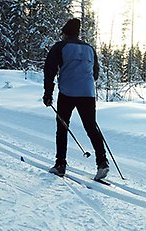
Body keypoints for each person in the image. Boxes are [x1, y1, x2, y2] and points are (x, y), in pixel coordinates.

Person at [43, 18, 109, 181]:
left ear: (65, 33)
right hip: (87, 93)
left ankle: (60, 165)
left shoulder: (60, 46)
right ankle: (102, 162)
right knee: (91, 127)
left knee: (63, 127)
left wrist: (48, 93)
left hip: (67, 92)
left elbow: (49, 70)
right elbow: (95, 73)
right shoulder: (89, 48)